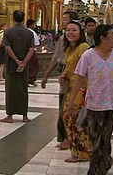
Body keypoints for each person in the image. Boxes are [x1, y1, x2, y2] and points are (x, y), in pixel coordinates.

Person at [68, 24, 113, 175]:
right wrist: (71, 102)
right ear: (102, 38)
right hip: (94, 105)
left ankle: (96, 171)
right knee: (97, 140)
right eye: (112, 35)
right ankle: (105, 161)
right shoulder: (88, 56)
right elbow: (79, 78)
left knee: (104, 138)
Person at [41, 10, 78, 150]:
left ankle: (70, 137)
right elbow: (56, 58)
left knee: (68, 106)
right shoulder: (63, 39)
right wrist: (46, 75)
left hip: (73, 76)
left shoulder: (80, 42)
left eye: (64, 19)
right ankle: (65, 137)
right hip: (65, 73)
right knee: (64, 104)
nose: (61, 21)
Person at [59, 20, 92, 162]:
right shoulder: (69, 48)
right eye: (68, 30)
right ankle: (78, 151)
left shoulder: (84, 47)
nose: (70, 33)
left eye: (74, 30)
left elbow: (86, 70)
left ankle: (83, 152)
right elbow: (69, 66)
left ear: (80, 33)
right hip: (72, 87)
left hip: (82, 89)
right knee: (68, 118)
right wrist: (64, 75)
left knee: (74, 119)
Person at [0, 10, 35, 123]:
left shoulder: (8, 31)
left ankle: (10, 116)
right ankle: (24, 116)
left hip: (11, 64)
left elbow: (8, 48)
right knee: (23, 89)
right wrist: (24, 62)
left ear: (13, 19)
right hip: (24, 66)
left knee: (10, 90)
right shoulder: (29, 33)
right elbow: (31, 49)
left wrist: (17, 61)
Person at [26, 19, 41, 86]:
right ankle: (31, 79)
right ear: (31, 25)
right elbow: (36, 43)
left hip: (25, 51)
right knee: (34, 65)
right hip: (32, 51)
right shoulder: (32, 32)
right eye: (34, 24)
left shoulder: (25, 31)